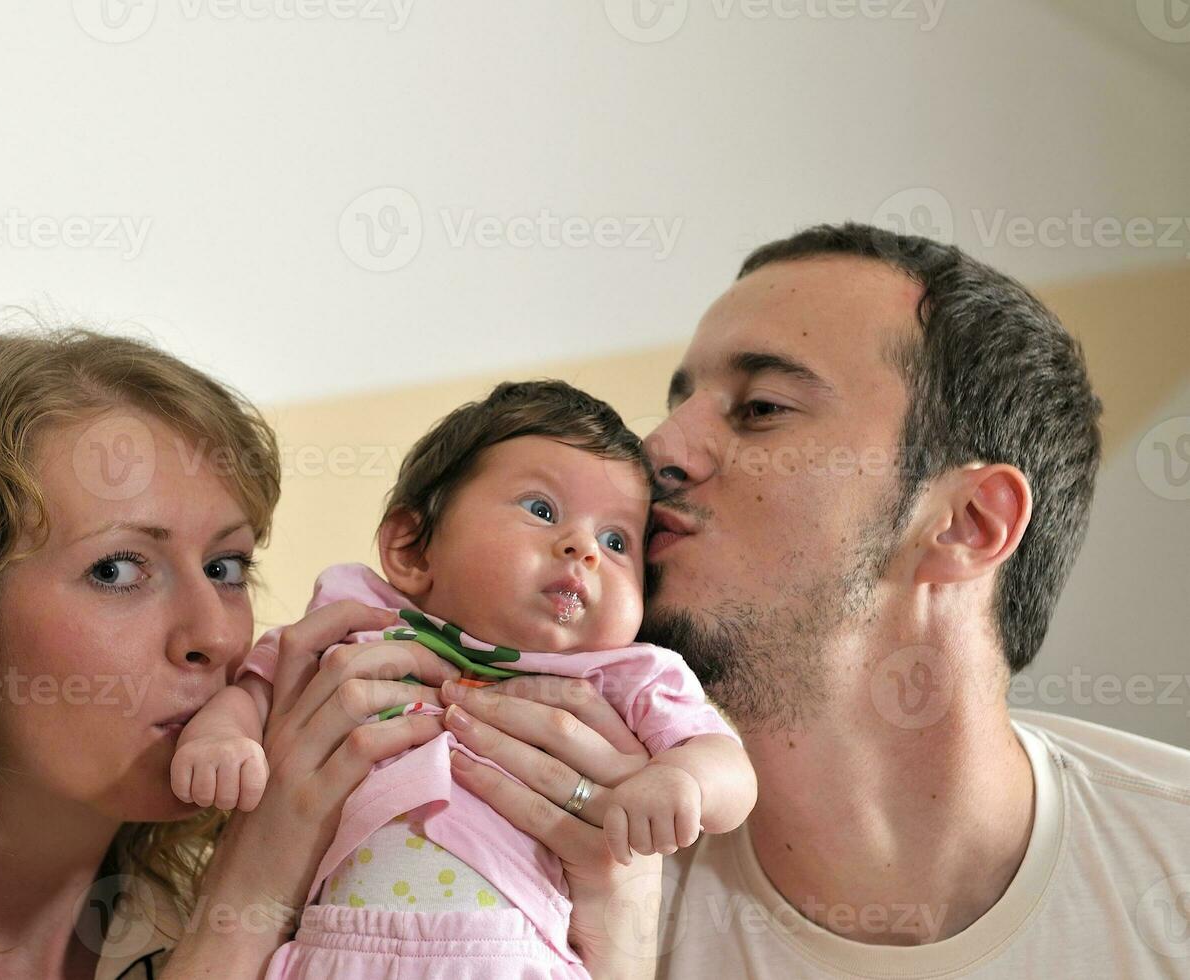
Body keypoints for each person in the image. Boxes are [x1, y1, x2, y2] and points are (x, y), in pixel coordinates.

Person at [0, 329, 658, 980]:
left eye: (228, 565)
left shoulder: (252, 914)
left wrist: (611, 925)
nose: (215, 632)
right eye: (121, 568)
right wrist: (249, 891)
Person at [436, 222, 1190, 978]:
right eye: (679, 403)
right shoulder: (523, 862)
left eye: (761, 408)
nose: (659, 447)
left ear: (966, 522)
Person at [172, 380, 756, 977]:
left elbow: (727, 764)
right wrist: (222, 738)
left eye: (616, 541)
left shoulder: (625, 673)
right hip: (334, 952)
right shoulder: (362, 621)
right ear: (414, 550)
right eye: (542, 510)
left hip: (514, 959)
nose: (584, 549)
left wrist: (684, 781)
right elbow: (257, 691)